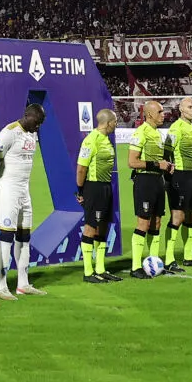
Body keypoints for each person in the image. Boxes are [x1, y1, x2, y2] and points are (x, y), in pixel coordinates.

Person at [0, 103, 47, 298]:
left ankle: (23, 284)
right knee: (6, 236)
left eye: (40, 124)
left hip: (24, 191)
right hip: (8, 190)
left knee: (24, 236)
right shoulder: (10, 132)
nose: (38, 127)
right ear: (28, 116)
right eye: (37, 122)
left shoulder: (31, 135)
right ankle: (1, 286)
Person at [75, 106, 119, 282]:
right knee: (91, 226)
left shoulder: (106, 139)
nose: (116, 124)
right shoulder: (91, 140)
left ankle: (100, 269)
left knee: (103, 227)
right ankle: (88, 272)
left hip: (106, 186)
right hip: (93, 187)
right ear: (108, 123)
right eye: (115, 121)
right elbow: (81, 168)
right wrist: (81, 190)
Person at [160, 97, 192, 272]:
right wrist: (169, 174)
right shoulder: (175, 128)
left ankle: (188, 255)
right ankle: (169, 258)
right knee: (177, 217)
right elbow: (166, 153)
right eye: (190, 107)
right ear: (181, 109)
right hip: (179, 176)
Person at [128, 99, 169, 275]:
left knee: (157, 222)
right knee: (143, 222)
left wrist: (166, 166)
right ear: (150, 114)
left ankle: (154, 264)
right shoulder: (141, 132)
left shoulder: (158, 133)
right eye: (160, 112)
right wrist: (157, 164)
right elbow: (132, 162)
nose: (163, 115)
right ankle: (136, 267)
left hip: (158, 180)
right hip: (144, 181)